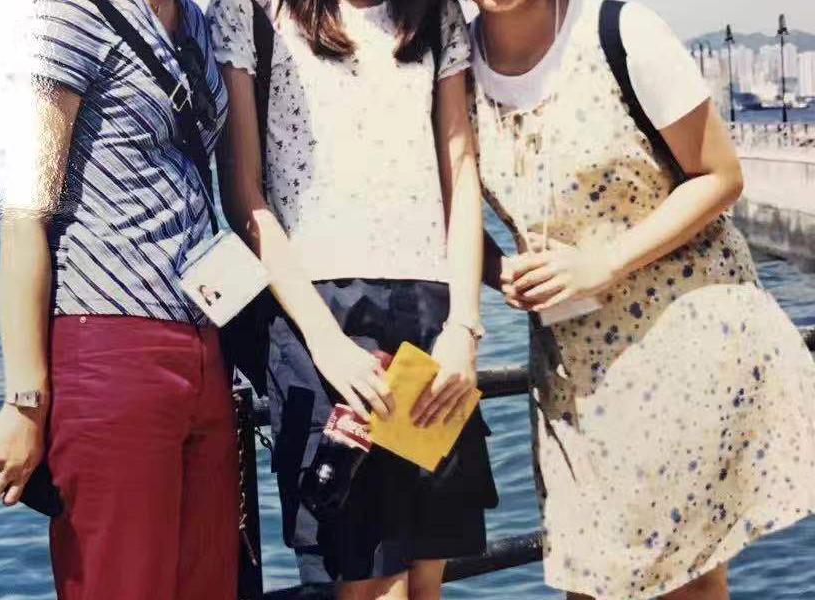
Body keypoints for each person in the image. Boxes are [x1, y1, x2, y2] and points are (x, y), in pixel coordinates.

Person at [470, 0, 815, 598]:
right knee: (590, 579)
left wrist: (602, 262)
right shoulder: (456, 63)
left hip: (682, 344)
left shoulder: (620, 31)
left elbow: (720, 175)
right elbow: (438, 201)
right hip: (574, 375)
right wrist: (498, 270)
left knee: (685, 584)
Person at [209, 0, 499, 597]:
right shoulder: (249, 11)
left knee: (426, 577)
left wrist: (464, 328)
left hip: (429, 316)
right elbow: (244, 195)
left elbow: (461, 170)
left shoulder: (433, 12)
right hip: (321, 314)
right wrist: (325, 342)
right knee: (368, 582)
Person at [0, 0, 237, 598]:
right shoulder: (68, 16)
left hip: (201, 342)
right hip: (109, 344)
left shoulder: (194, 20)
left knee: (210, 583)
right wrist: (26, 402)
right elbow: (23, 218)